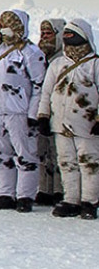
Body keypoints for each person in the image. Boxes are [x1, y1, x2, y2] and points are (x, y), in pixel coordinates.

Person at [0, 10, 46, 213]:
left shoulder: (31, 53)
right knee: (1, 154)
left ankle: (25, 195)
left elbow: (39, 85)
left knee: (25, 154)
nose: (5, 31)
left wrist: (34, 114)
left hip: (20, 112)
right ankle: (6, 193)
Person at [37, 18, 99, 220]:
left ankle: (90, 201)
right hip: (60, 124)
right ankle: (71, 199)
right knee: (66, 162)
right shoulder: (58, 64)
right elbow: (46, 93)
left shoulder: (94, 64)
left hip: (87, 124)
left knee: (89, 163)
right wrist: (43, 116)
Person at [35, 18, 66, 206]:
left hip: (62, 113)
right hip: (42, 112)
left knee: (60, 154)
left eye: (49, 34)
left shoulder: (63, 60)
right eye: (42, 34)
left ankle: (60, 190)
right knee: (43, 152)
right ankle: (45, 188)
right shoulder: (39, 57)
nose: (45, 38)